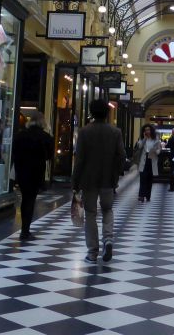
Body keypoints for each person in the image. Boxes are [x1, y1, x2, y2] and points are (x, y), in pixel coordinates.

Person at [72, 98, 126, 262]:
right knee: (107, 209)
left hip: (88, 180)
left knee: (90, 213)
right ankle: (108, 240)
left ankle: (92, 251)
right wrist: (116, 174)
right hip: (108, 179)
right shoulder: (115, 132)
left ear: (91, 112)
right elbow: (122, 156)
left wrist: (75, 182)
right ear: (107, 112)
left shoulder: (84, 132)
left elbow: (79, 159)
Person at [11, 112, 54, 242]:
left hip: (22, 171)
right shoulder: (46, 137)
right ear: (42, 122)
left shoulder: (20, 135)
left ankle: (25, 229)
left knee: (25, 198)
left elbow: (14, 152)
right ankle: (25, 231)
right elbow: (49, 156)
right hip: (36, 172)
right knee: (30, 199)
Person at [133, 124, 162, 202]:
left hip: (152, 159)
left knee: (149, 179)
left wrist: (156, 151)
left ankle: (148, 196)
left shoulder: (156, 139)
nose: (147, 131)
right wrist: (144, 139)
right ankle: (141, 195)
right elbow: (139, 147)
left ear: (151, 130)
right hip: (143, 160)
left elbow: (159, 150)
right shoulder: (142, 139)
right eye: (145, 130)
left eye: (148, 130)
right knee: (143, 178)